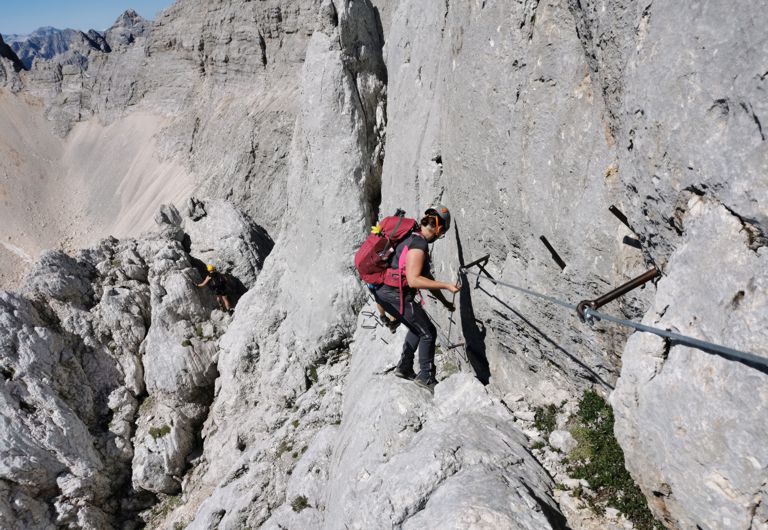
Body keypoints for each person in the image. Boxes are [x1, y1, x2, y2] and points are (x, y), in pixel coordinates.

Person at [374, 205, 460, 392]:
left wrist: (445, 301)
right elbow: (414, 280)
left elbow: (426, 278)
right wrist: (446, 285)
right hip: (396, 294)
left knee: (417, 326)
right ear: (439, 229)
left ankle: (404, 367)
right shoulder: (419, 244)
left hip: (384, 293)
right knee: (428, 332)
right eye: (442, 231)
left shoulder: (411, 237)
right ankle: (426, 377)